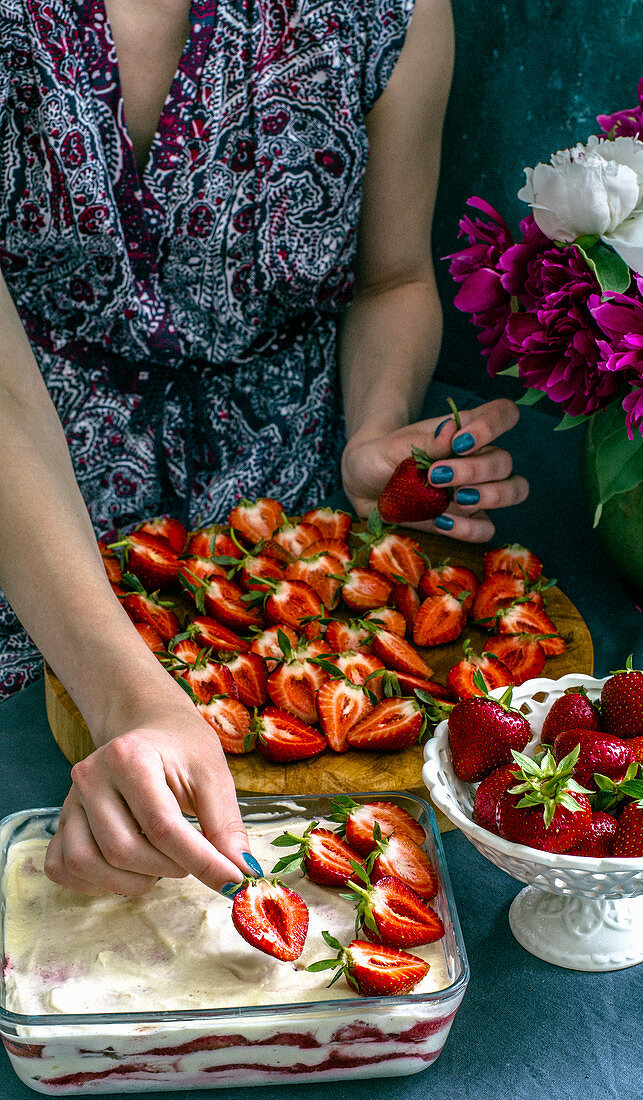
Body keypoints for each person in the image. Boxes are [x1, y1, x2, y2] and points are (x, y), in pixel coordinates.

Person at [0, 0, 527, 897]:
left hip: (299, 544)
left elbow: (393, 279)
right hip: (30, 539)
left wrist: (375, 428)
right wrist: (129, 695)